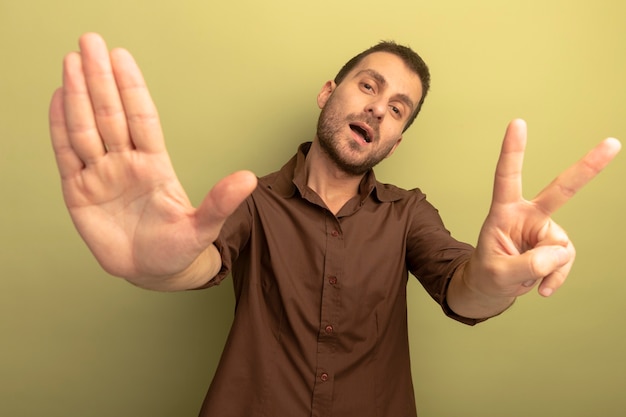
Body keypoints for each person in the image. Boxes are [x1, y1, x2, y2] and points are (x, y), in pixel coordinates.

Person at [49, 33, 621, 417]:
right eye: (369, 86)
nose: (378, 107)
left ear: (395, 140)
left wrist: (496, 284)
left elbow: (464, 286)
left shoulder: (408, 213)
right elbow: (201, 260)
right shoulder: (254, 201)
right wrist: (158, 265)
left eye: (398, 108)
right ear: (330, 93)